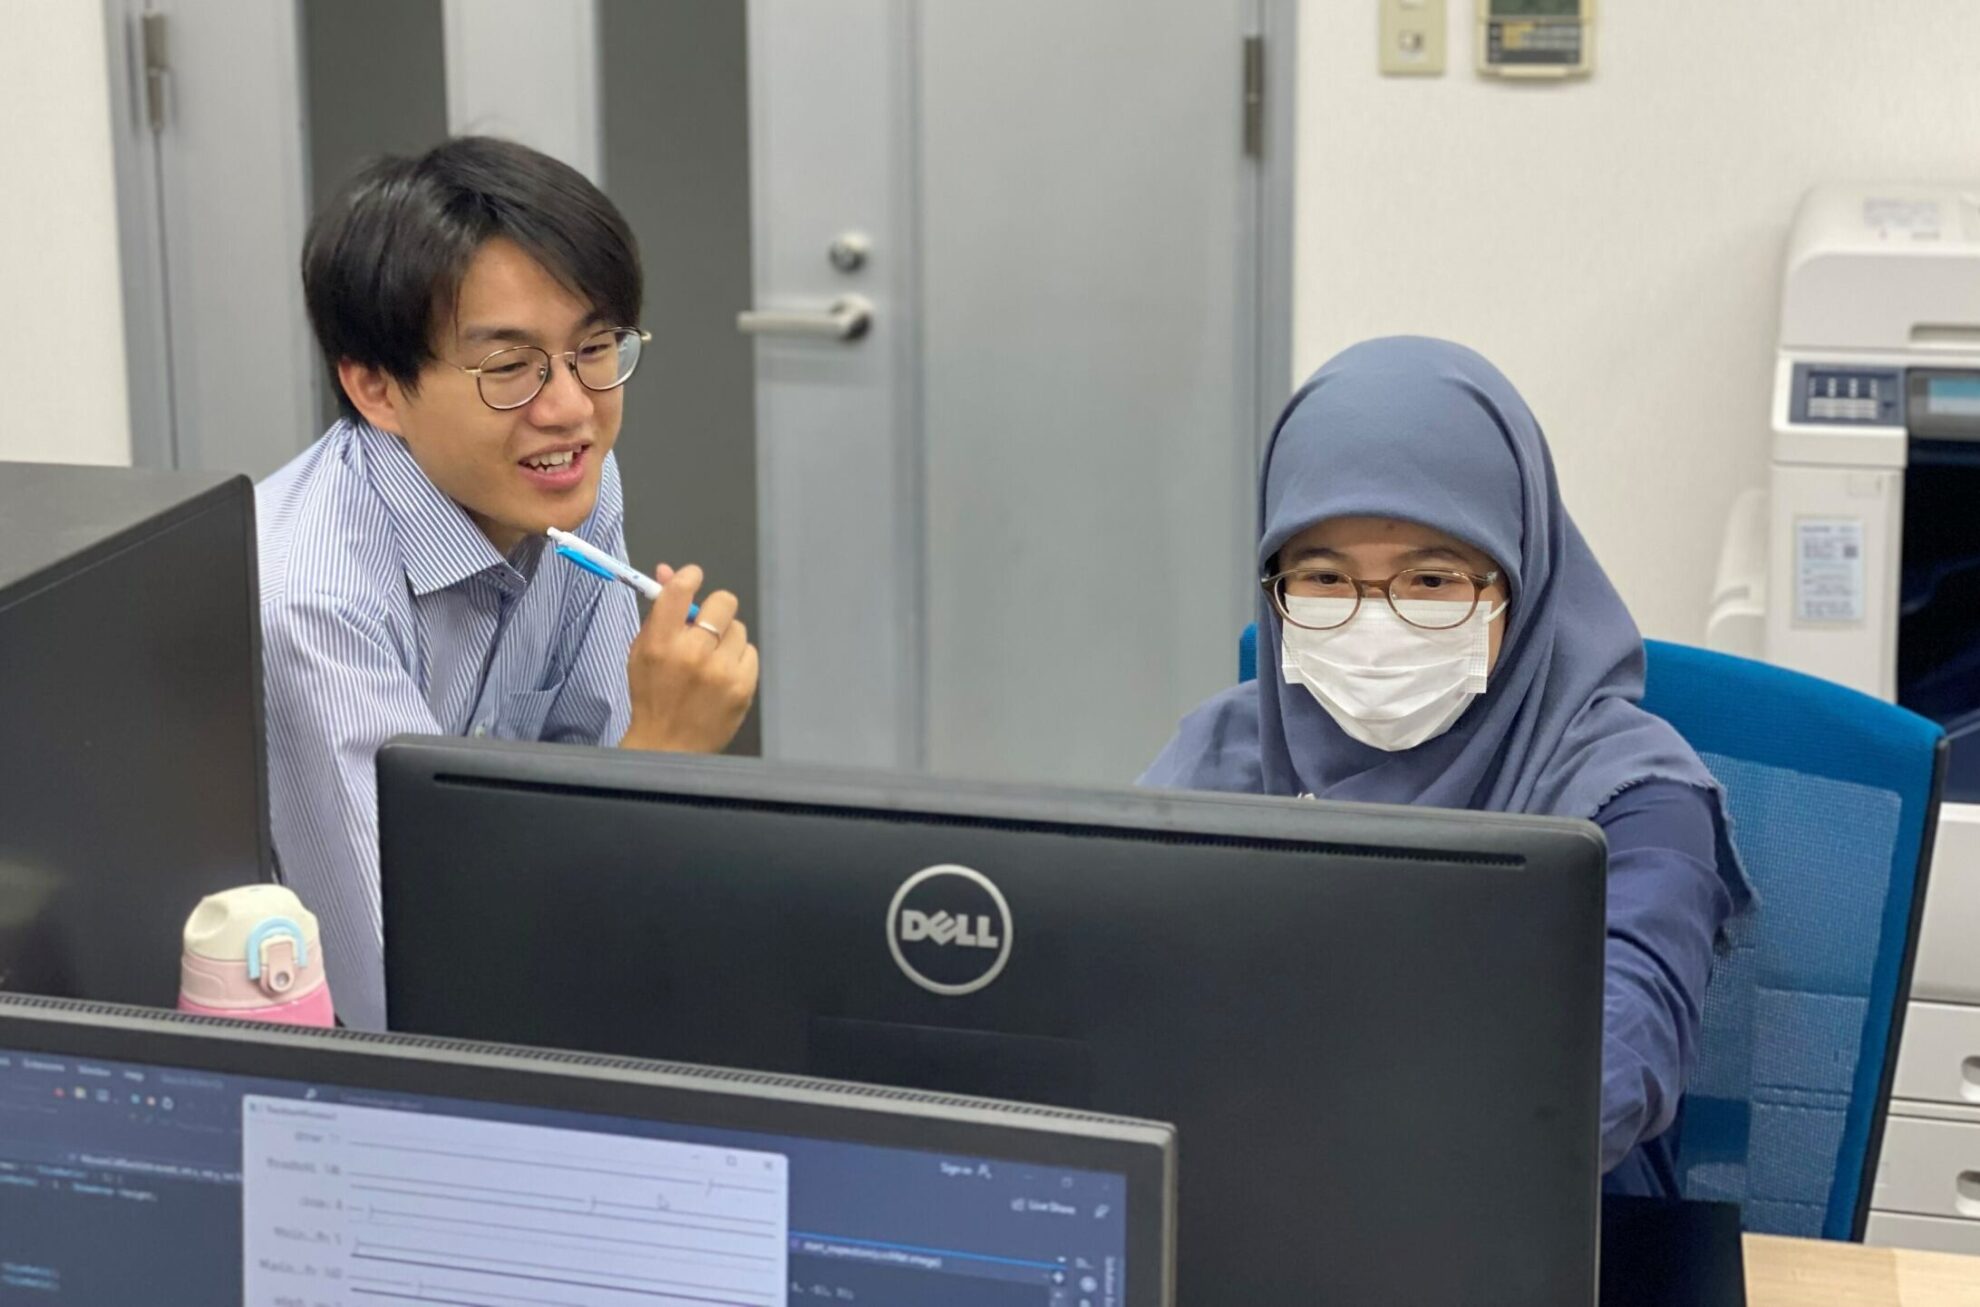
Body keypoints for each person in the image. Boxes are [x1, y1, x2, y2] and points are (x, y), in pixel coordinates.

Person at [1143, 336, 1752, 1197]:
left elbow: (1616, 1058)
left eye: (1432, 581)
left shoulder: (1634, 798)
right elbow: (1110, 999)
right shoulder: (1222, 753)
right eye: (1323, 579)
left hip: (1535, 1226)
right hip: (1248, 1210)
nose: (1373, 624)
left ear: (1520, 581)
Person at [257, 137, 758, 1029]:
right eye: (508, 369)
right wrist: (666, 752)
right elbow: (411, 995)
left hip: (538, 962)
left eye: (593, 347)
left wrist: (639, 766)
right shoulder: (311, 600)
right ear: (376, 388)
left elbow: (583, 794)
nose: (570, 408)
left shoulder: (569, 483)